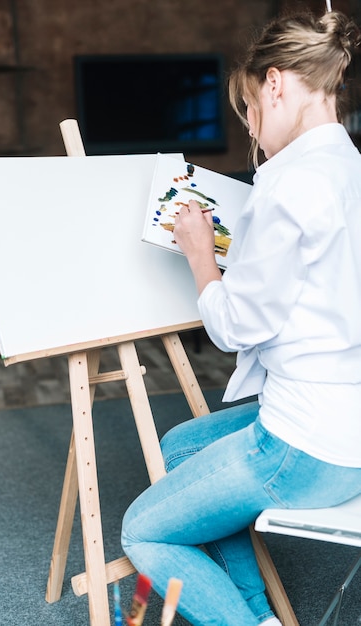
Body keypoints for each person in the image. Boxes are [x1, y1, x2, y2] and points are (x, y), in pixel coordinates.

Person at [121, 8, 361, 625]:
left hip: (304, 449)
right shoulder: (350, 168)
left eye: (250, 108)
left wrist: (203, 256)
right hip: (349, 425)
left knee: (142, 533)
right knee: (179, 447)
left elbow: (234, 328)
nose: (252, 129)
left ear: (276, 83)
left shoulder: (294, 184)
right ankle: (258, 607)